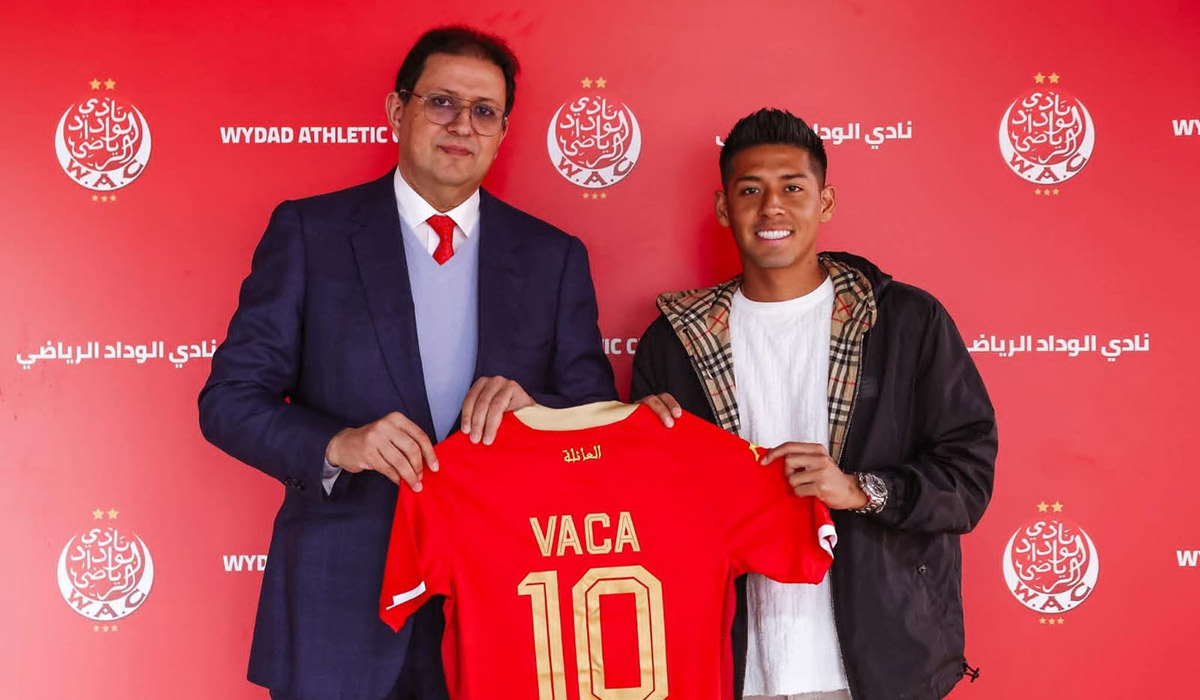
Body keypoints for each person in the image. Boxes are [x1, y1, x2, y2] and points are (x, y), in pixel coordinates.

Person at [198, 26, 616, 700]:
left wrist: (536, 413)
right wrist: (339, 444)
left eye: (484, 111)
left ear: (503, 131)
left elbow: (595, 416)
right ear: (399, 111)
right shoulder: (309, 233)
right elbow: (229, 400)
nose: (462, 125)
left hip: (501, 604)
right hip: (341, 609)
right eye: (442, 102)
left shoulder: (553, 255)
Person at [631, 108, 997, 700]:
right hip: (727, 665)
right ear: (724, 208)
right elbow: (646, 508)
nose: (772, 207)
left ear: (824, 203)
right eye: (751, 190)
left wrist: (857, 488)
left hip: (880, 669)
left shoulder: (905, 322)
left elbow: (968, 478)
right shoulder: (673, 342)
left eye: (793, 188)